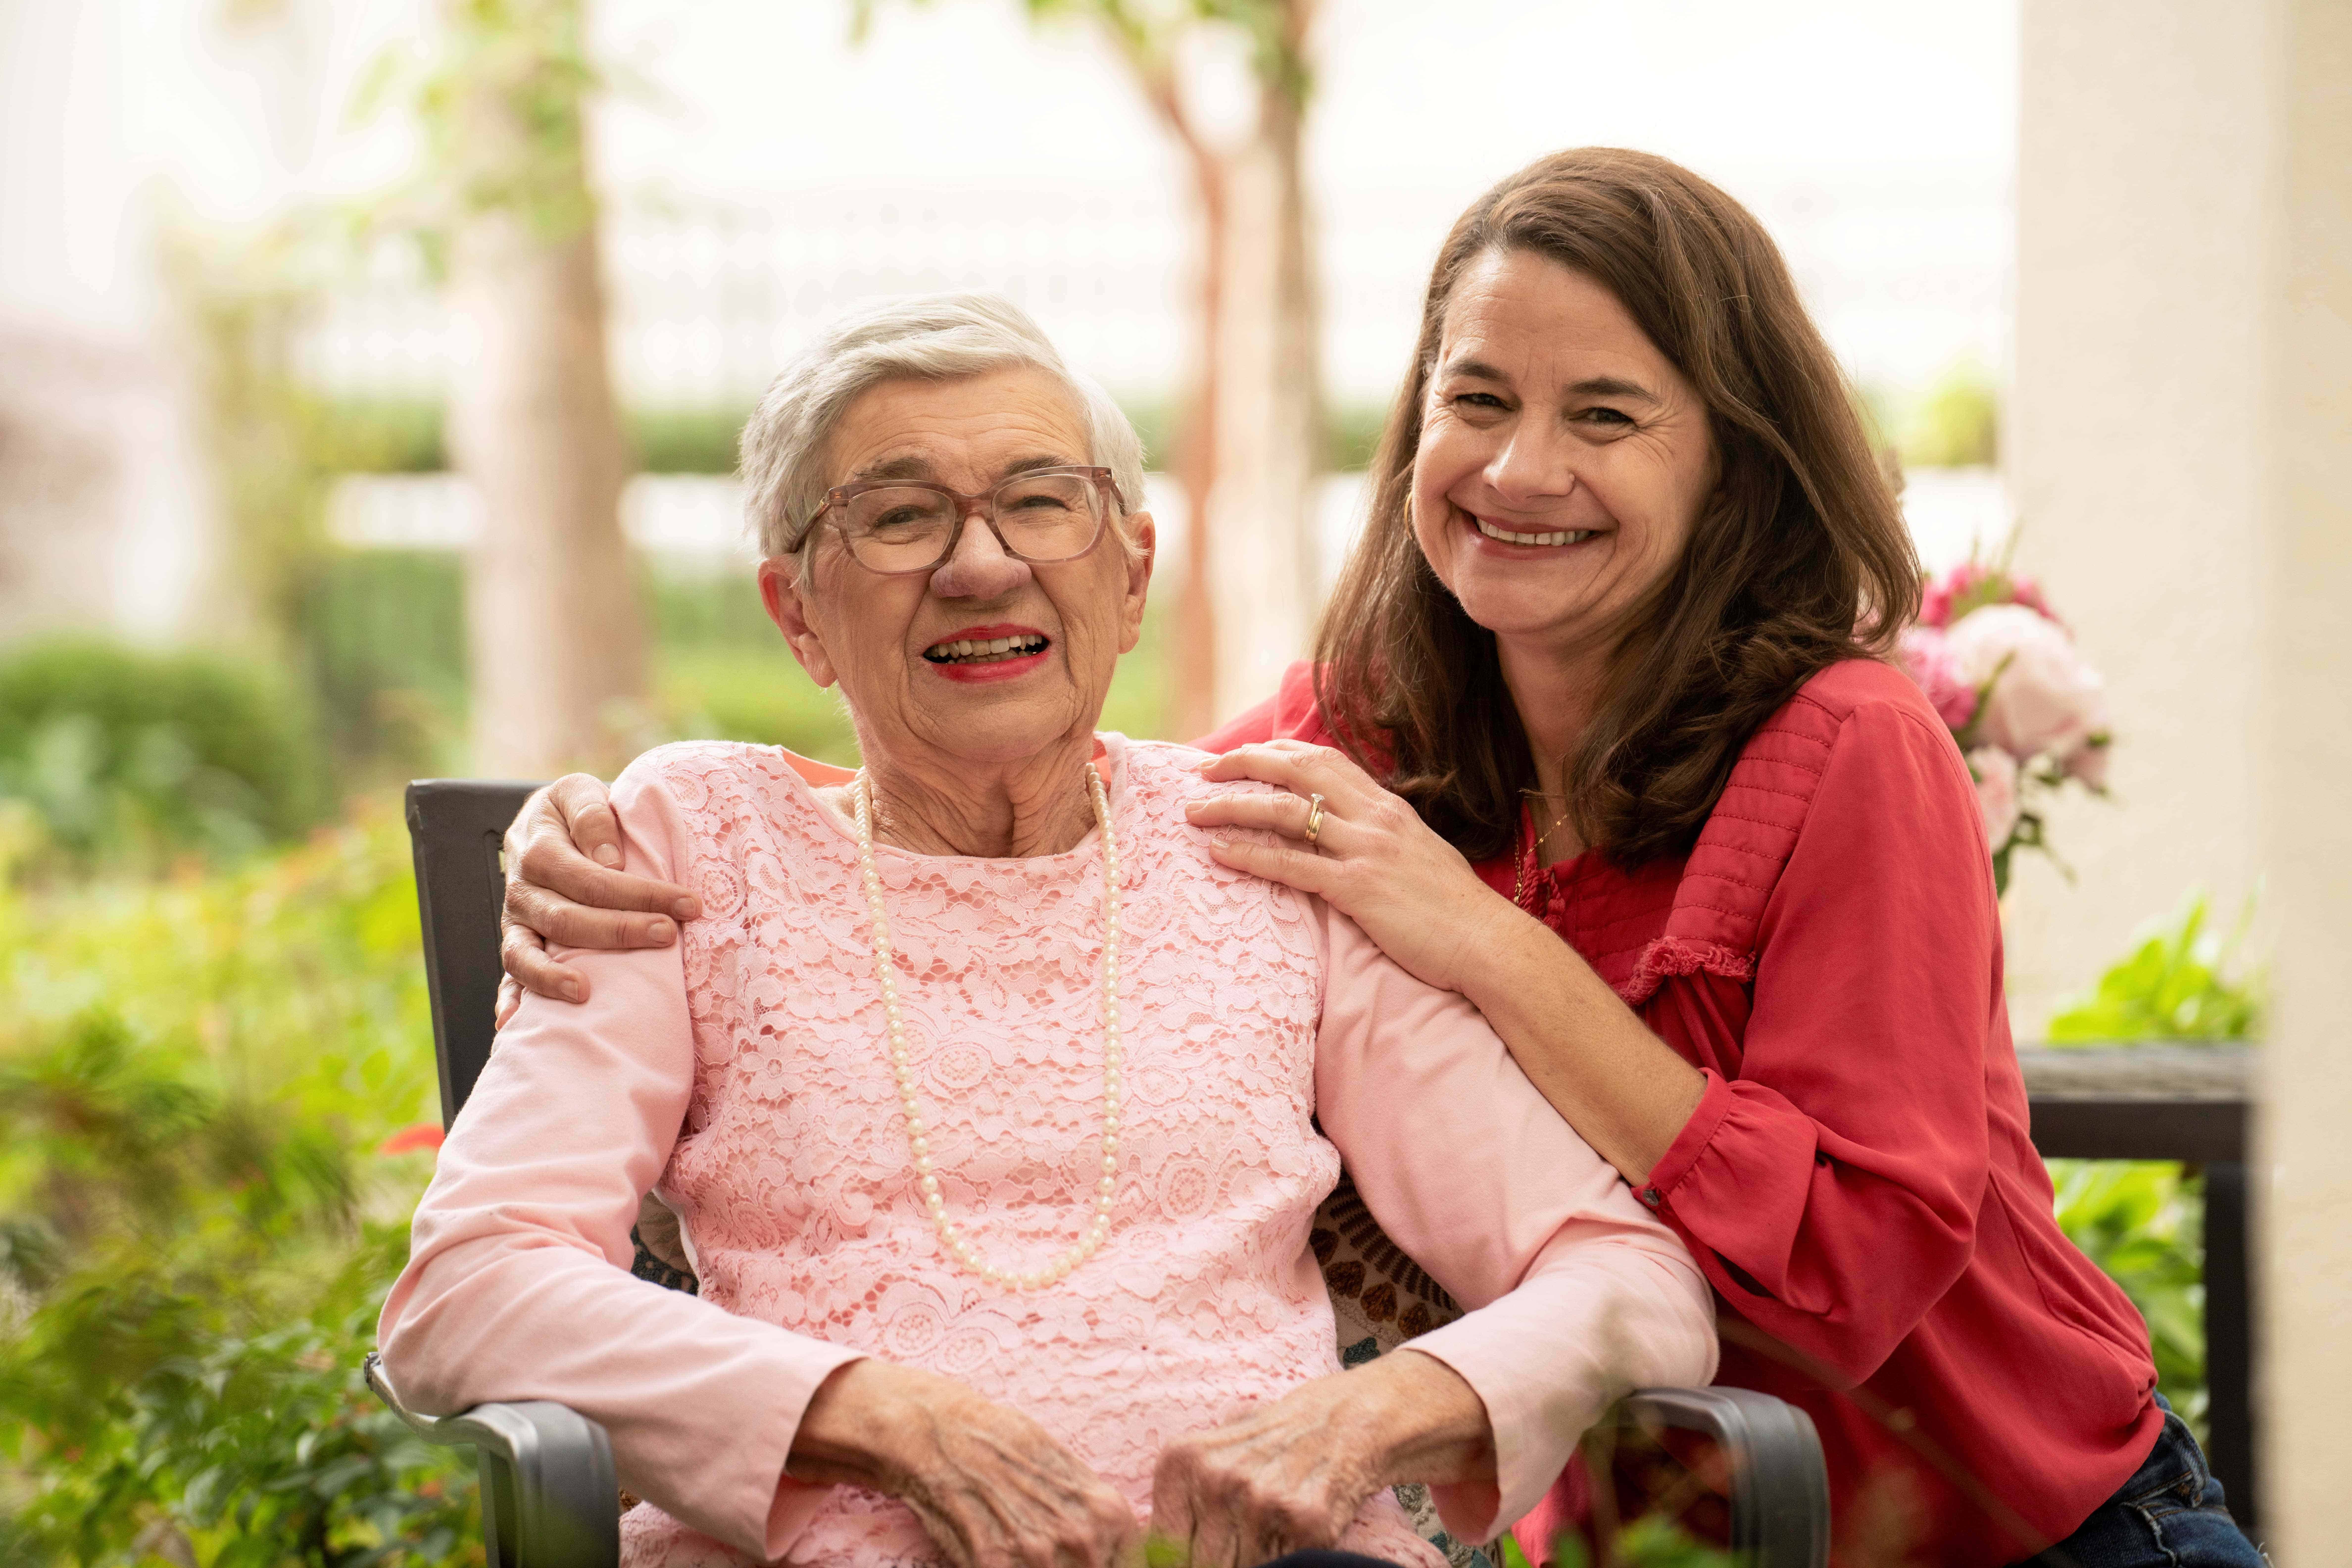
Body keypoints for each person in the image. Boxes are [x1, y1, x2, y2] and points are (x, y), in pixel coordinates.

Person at [495, 155, 2268, 1568]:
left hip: (2001, 1512)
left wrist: (1490, 946)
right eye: (1475, 396)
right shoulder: (1364, 727)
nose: (1518, 466)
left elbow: (1854, 1274)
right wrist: (661, 817)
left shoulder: (1855, 747)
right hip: (1667, 1518)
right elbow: (1020, 754)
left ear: (1733, 461)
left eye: (1607, 415)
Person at [380, 293, 1717, 1568]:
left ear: (1130, 578)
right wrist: (880, 1419)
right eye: (899, 517)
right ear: (799, 614)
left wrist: (1368, 1417)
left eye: (1040, 503)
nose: (981, 563)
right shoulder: (679, 847)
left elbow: (1628, 1281)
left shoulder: (1264, 848)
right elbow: (471, 1291)